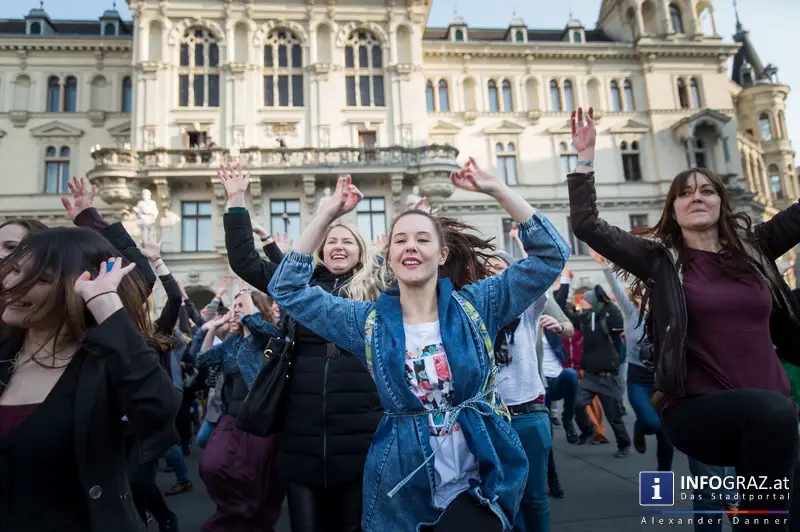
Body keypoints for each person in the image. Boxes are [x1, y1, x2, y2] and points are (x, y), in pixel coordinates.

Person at [268, 160, 569, 531]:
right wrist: (326, 213)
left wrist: (499, 190)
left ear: (441, 255)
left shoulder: (476, 306)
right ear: (390, 258)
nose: (411, 246)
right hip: (404, 487)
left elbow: (551, 255)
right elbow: (287, 289)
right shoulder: (367, 323)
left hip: (477, 480)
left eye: (423, 239)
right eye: (401, 240)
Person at [567, 106, 800, 528]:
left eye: (707, 191)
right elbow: (586, 225)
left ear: (721, 203)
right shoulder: (661, 261)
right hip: (699, 409)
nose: (697, 197)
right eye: (686, 193)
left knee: (770, 516)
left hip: (771, 412)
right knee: (772, 426)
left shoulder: (756, 250)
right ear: (673, 209)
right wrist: (584, 160)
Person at [219, 163, 382, 532]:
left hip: (362, 432)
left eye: (347, 241)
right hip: (302, 431)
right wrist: (236, 199)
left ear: (361, 249)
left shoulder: (381, 288)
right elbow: (244, 261)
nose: (339, 247)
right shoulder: (299, 286)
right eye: (331, 241)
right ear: (320, 250)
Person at [0, 228, 179, 532]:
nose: (13, 285)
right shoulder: (5, 352)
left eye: (41, 279)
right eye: (14, 270)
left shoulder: (105, 363)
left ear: (76, 290)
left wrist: (107, 303)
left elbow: (159, 413)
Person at [488, 249, 573, 532]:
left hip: (527, 411)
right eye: (486, 269)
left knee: (534, 497)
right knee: (497, 497)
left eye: (499, 267)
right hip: (489, 418)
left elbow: (540, 272)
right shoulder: (473, 311)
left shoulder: (527, 306)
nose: (493, 273)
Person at [195, 289, 286, 532]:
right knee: (210, 465)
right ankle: (235, 512)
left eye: (240, 305)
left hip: (259, 423)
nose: (236, 309)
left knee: (258, 484)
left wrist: (247, 303)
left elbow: (269, 333)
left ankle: (252, 522)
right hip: (230, 421)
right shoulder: (233, 343)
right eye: (234, 305)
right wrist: (212, 328)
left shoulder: (268, 338)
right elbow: (201, 360)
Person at [589, 248, 674, 471]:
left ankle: (659, 491)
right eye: (642, 296)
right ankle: (639, 427)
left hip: (662, 382)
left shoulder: (669, 316)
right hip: (638, 381)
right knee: (651, 423)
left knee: (667, 437)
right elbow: (616, 288)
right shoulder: (630, 314)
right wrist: (605, 265)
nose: (648, 301)